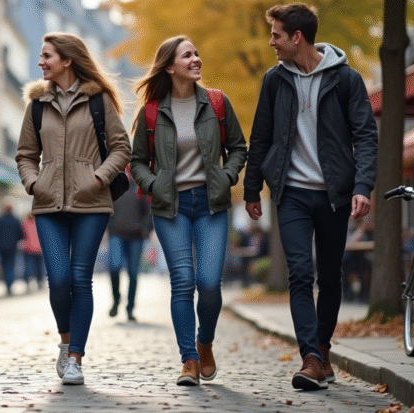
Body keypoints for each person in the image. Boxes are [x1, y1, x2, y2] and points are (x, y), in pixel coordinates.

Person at [243, 3, 378, 391]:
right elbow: (262, 137)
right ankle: (310, 358)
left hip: (335, 193)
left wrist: (361, 186)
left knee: (330, 276)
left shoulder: (346, 80)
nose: (272, 42)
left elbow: (365, 136)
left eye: (277, 35)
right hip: (292, 193)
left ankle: (322, 347)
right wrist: (253, 188)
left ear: (296, 37)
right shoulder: (274, 80)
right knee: (300, 273)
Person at [129, 36, 247, 386]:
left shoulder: (217, 103)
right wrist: (153, 184)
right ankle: (189, 360)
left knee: (209, 283)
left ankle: (205, 342)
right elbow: (137, 162)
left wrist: (226, 177)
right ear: (170, 66)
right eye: (187, 55)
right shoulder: (152, 111)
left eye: (196, 52)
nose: (196, 59)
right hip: (171, 207)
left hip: (211, 203)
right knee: (182, 281)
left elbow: (238, 148)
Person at [16, 32, 131, 385]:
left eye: (47, 56)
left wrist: (98, 178)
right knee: (59, 279)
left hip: (91, 203)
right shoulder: (37, 104)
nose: (41, 62)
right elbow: (24, 154)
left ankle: (76, 358)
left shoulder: (99, 101)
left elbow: (121, 148)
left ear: (67, 60)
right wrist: (34, 183)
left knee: (81, 279)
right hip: (48, 204)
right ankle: (66, 343)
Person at [106, 175, 152, 322]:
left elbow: (149, 212)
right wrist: (109, 228)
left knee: (133, 273)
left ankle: (130, 308)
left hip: (136, 237)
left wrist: (145, 228)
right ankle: (116, 299)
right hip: (116, 234)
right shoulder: (113, 186)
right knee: (114, 266)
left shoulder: (141, 188)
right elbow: (106, 208)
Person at [0, 202, 23, 296]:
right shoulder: (16, 220)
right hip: (12, 247)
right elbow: (21, 234)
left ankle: (7, 285)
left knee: (4, 266)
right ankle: (9, 284)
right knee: (10, 266)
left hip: (1, 247)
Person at [20, 213, 44, 290]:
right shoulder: (39, 223)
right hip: (39, 248)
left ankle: (27, 281)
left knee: (28, 266)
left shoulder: (24, 223)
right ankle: (39, 281)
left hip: (28, 249)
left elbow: (21, 235)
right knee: (39, 267)